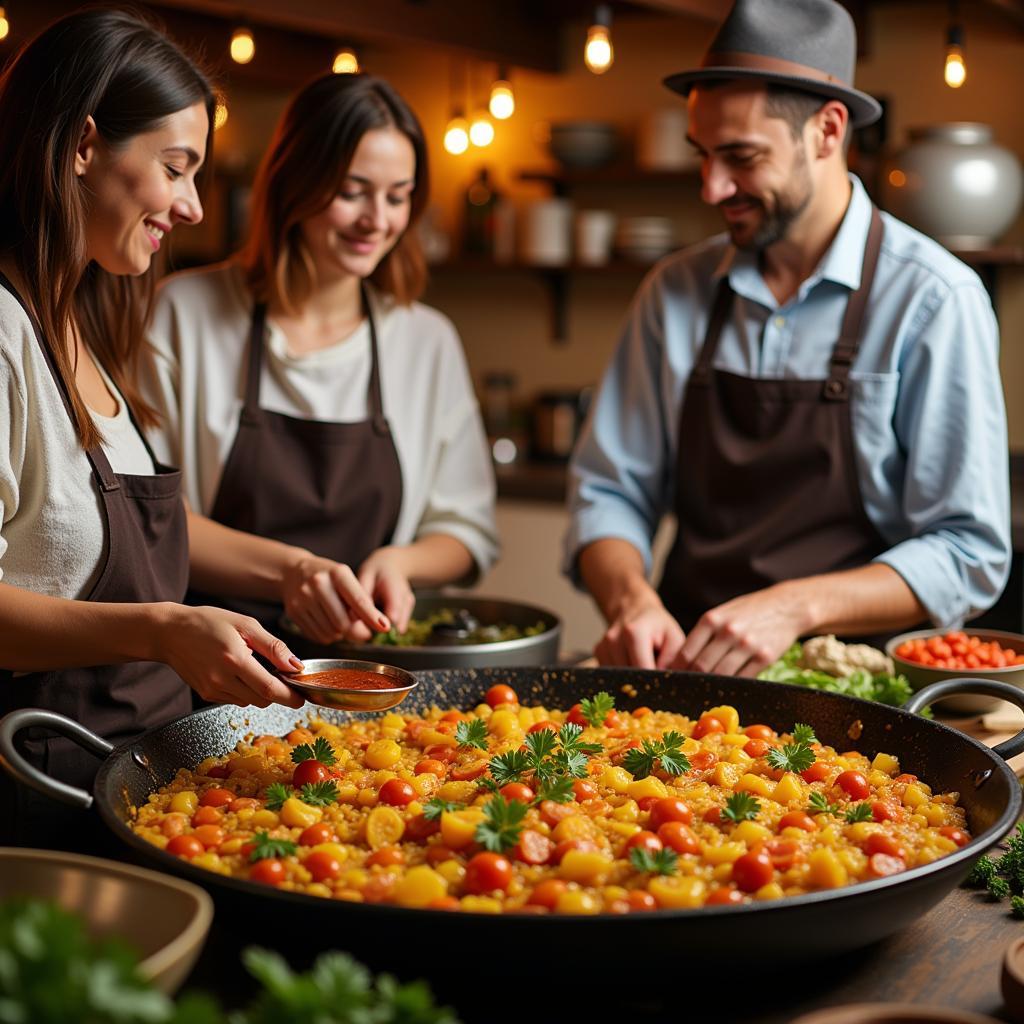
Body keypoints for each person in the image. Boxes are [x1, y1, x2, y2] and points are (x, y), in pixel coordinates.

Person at [565, 0, 1011, 675]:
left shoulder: (931, 299)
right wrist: (631, 600)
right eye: (703, 156)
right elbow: (609, 494)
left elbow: (967, 553)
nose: (713, 187)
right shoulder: (673, 291)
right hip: (691, 677)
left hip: (857, 688)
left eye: (741, 157)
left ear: (827, 132)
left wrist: (792, 608)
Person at [0, 9, 306, 849]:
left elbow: (118, 528)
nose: (196, 206)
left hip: (143, 788)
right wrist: (163, 627)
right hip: (40, 793)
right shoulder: (1, 331)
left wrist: (294, 569)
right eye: (177, 168)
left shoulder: (81, 324)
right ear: (83, 145)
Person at [143, 72, 498, 647]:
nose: (376, 220)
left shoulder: (426, 341)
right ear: (296, 183)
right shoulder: (185, 314)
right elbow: (151, 521)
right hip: (213, 664)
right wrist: (293, 574)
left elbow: (466, 532)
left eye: (398, 196)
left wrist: (401, 563)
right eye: (353, 191)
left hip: (368, 675)